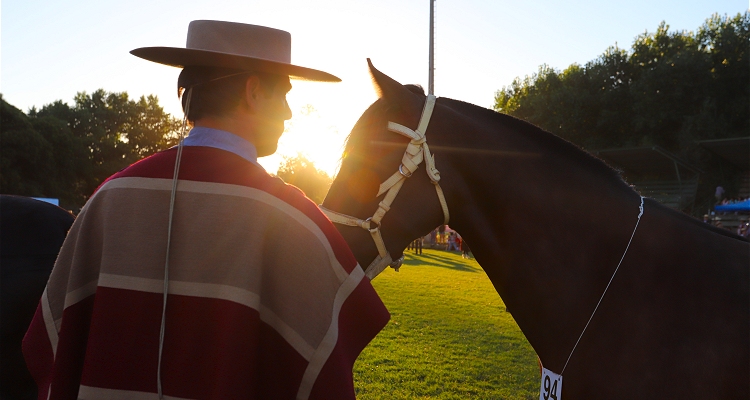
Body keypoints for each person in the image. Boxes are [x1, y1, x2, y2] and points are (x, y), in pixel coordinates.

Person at [22, 21, 389, 400]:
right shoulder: (293, 218)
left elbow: (49, 342)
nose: (289, 114)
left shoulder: (108, 198)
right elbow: (326, 363)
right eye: (284, 96)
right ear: (254, 91)